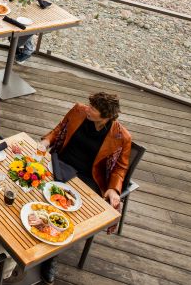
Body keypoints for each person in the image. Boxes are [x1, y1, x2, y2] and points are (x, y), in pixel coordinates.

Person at [36, 92, 131, 285]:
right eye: (89, 105)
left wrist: (113, 188)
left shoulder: (121, 136)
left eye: (93, 109)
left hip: (87, 178)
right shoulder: (78, 111)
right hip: (60, 163)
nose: (88, 109)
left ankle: (50, 257)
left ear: (106, 116)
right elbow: (59, 130)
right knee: (32, 182)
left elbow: (120, 168)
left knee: (66, 211)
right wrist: (46, 141)